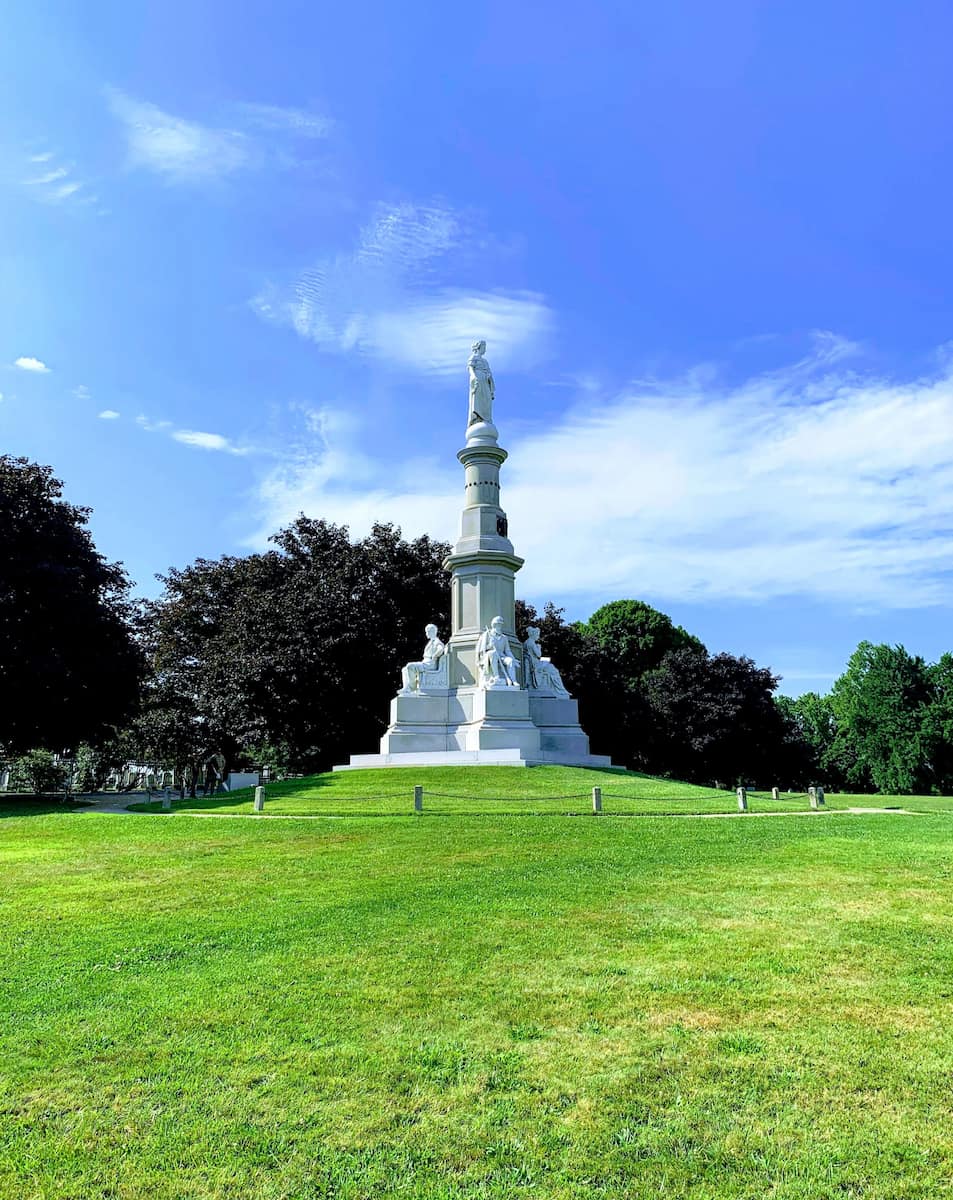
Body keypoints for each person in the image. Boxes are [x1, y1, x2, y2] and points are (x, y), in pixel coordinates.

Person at [522, 627, 570, 696]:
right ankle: (560, 690)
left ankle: (560, 689)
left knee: (550, 666)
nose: (538, 637)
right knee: (554, 670)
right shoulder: (532, 643)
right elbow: (539, 654)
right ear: (533, 634)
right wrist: (539, 647)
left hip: (534, 663)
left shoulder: (526, 642)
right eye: (537, 635)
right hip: (535, 664)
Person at [400, 624, 446, 693]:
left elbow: (441, 648)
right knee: (404, 669)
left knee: (410, 666)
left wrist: (434, 655)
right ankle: (406, 688)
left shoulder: (436, 641)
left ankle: (412, 687)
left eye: (427, 631)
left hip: (430, 664)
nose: (426, 633)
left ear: (432, 632)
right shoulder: (430, 642)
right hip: (425, 663)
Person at [477, 615, 519, 687]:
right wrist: (490, 645)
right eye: (498, 624)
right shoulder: (487, 634)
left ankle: (513, 680)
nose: (499, 626)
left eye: (500, 624)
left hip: (502, 657)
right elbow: (482, 650)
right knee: (493, 653)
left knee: (510, 661)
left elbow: (507, 651)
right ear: (494, 625)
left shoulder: (504, 637)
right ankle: (496, 677)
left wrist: (514, 659)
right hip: (491, 656)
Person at [467, 339, 495, 425]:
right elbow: (470, 368)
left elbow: (488, 371)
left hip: (485, 382)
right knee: (477, 399)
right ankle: (477, 418)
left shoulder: (485, 361)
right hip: (478, 380)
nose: (485, 349)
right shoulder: (473, 357)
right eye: (484, 347)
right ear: (479, 347)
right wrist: (473, 377)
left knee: (486, 399)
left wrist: (489, 376)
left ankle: (486, 418)